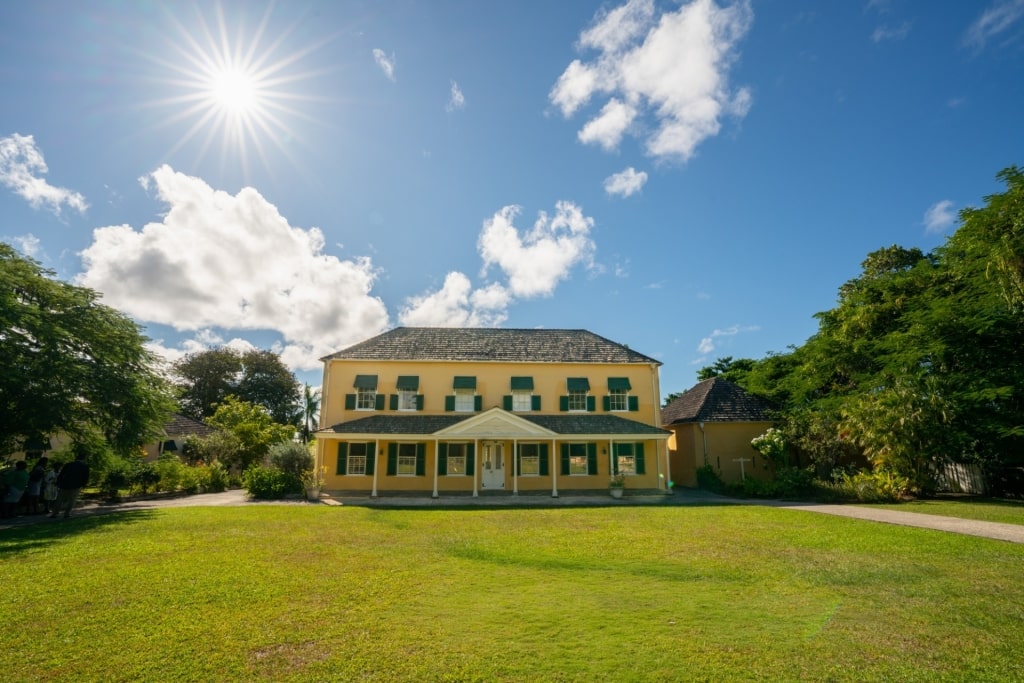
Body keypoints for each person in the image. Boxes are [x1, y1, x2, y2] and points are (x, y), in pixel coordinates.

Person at [51, 452, 90, 519]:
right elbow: (85, 477)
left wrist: (58, 482)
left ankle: (55, 513)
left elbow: (61, 474)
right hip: (76, 485)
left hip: (65, 484)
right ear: (84, 459)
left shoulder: (68, 464)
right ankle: (67, 513)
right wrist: (83, 485)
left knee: (60, 499)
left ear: (76, 458)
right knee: (72, 500)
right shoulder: (85, 467)